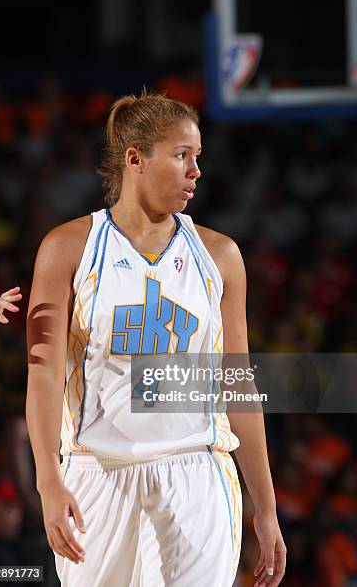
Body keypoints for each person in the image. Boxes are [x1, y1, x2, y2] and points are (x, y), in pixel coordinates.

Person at [26, 92, 286, 586]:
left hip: (198, 471)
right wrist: (48, 482)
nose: (196, 171)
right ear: (135, 159)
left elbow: (238, 385)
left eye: (198, 157)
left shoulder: (220, 255)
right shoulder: (68, 248)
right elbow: (42, 376)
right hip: (95, 472)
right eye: (182, 155)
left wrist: (266, 509)